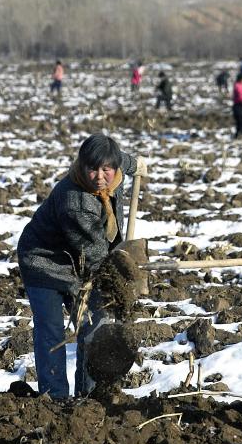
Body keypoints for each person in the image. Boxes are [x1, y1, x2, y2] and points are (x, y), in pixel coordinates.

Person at [17, 133, 148, 399]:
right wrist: (125, 272)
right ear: (82, 166)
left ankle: (89, 395)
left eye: (106, 170)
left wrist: (138, 163)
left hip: (79, 262)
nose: (99, 177)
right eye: (92, 169)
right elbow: (96, 255)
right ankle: (55, 399)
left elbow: (125, 161)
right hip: (43, 262)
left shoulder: (115, 166)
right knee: (51, 332)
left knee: (95, 326)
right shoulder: (76, 202)